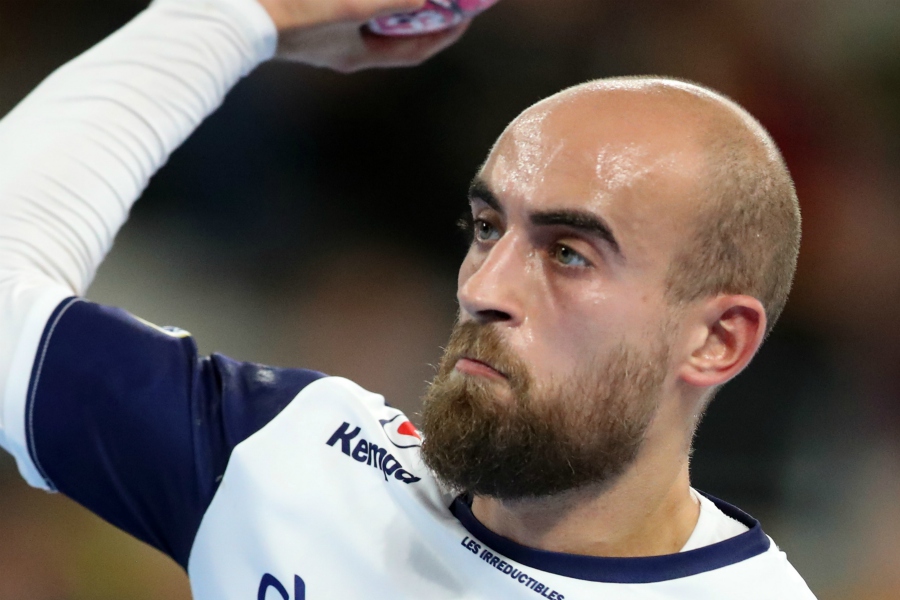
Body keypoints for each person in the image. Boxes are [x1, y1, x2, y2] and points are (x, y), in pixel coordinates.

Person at [0, 0, 816, 597]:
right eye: (487, 228)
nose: (481, 288)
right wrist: (234, 20)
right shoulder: (293, 463)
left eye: (570, 253)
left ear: (717, 339)